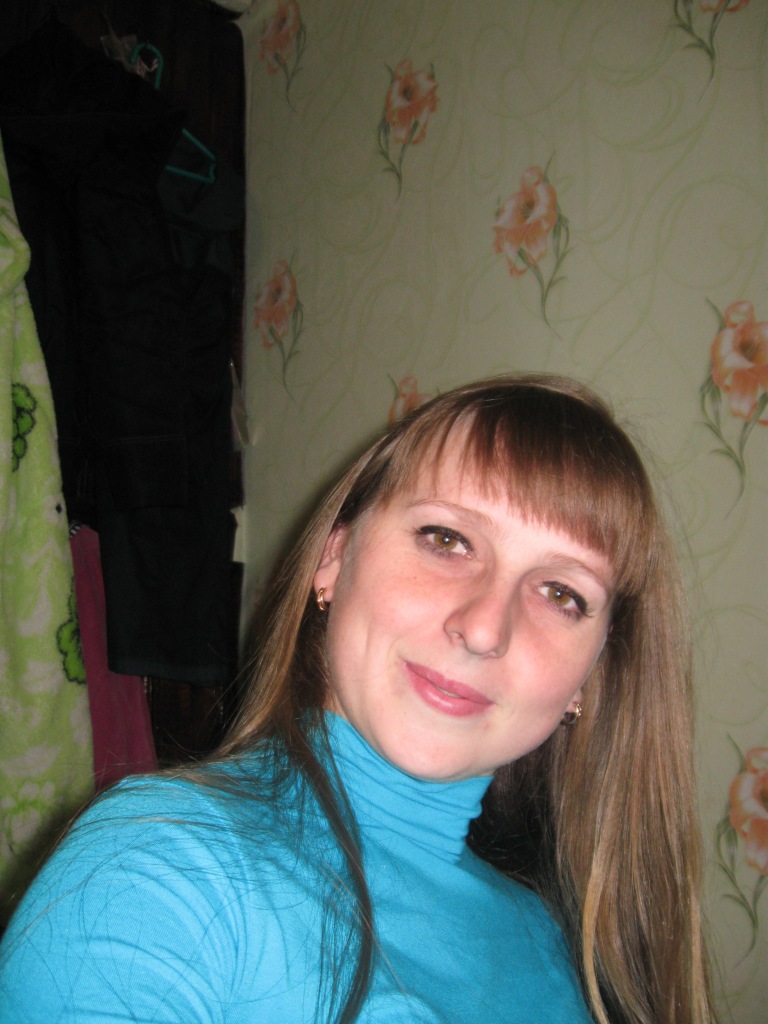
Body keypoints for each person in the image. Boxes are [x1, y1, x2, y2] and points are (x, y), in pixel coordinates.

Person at [0, 374, 716, 1024]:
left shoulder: (565, 953)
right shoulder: (159, 869)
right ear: (334, 559)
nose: (483, 629)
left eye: (562, 593)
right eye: (447, 538)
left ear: (589, 675)